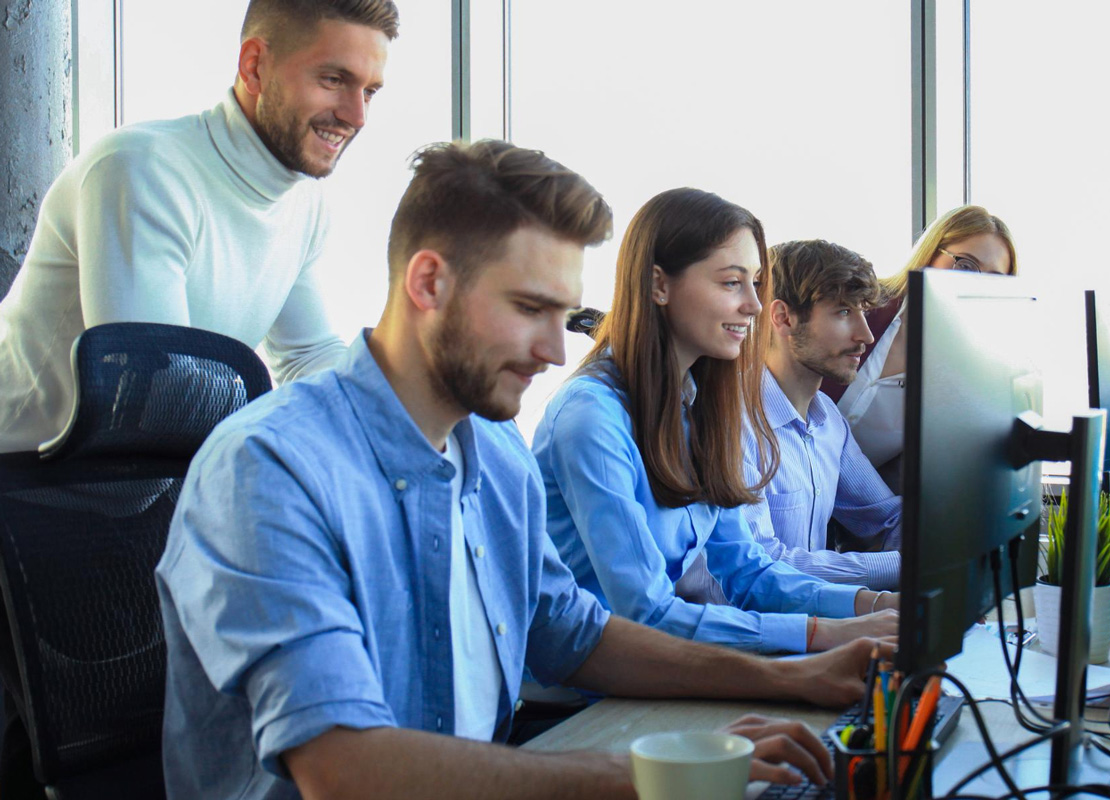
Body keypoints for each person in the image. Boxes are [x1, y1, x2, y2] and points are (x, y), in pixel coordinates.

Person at [156, 140, 893, 800]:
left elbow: (572, 631)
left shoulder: (496, 455)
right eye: (529, 309)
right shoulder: (269, 468)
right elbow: (343, 769)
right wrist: (653, 777)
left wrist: (791, 675)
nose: (553, 350)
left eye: (562, 313)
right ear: (428, 283)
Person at [0, 0, 400, 452]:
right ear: (254, 68)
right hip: (24, 484)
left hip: (135, 486)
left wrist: (402, 405)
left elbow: (308, 355)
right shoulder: (141, 171)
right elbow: (160, 386)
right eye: (334, 80)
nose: (356, 116)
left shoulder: (303, 204)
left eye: (369, 91)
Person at [534, 188, 899, 657]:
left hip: (669, 671)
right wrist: (821, 634)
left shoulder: (702, 405)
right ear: (658, 286)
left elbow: (748, 572)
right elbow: (645, 614)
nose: (754, 305)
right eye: (732, 283)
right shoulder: (592, 418)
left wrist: (878, 604)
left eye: (756, 283)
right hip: (589, 702)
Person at [739, 239, 902, 592]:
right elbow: (766, 565)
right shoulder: (736, 422)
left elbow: (889, 518)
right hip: (747, 638)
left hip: (813, 627)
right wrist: (913, 565)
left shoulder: (828, 420)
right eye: (843, 312)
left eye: (861, 310)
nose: (866, 335)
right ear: (783, 318)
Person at [823, 205, 1018, 493]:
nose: (975, 285)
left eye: (993, 279)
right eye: (965, 265)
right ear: (930, 254)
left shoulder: (972, 375)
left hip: (854, 510)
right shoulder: (859, 306)